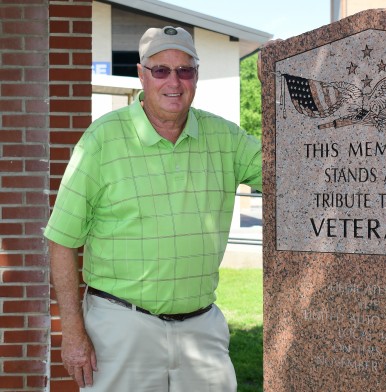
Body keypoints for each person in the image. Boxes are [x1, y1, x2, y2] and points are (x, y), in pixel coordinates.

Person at [45, 26, 262, 391]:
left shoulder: (226, 138)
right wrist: (72, 331)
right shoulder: (101, 141)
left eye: (185, 70)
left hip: (201, 328)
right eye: (161, 70)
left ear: (196, 75)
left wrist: (275, 88)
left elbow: (290, 169)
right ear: (141, 74)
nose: (173, 81)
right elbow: (61, 241)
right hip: (120, 329)